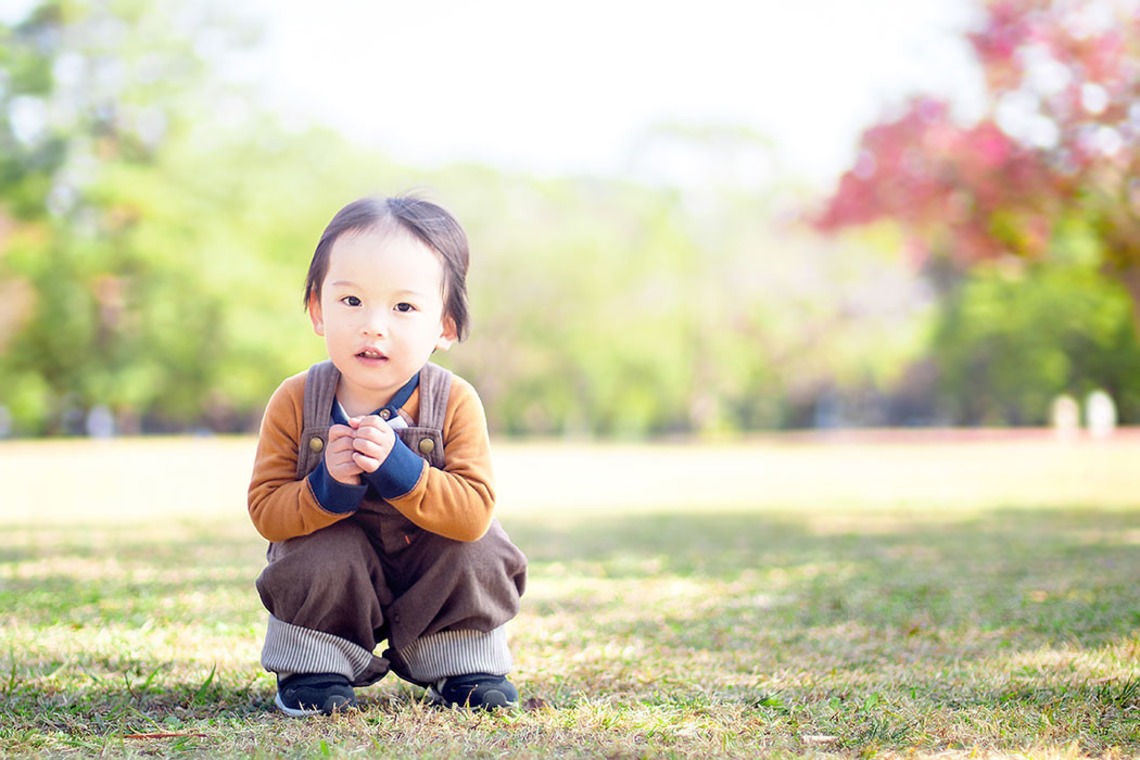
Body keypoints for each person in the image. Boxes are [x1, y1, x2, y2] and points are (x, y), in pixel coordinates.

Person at [247, 194, 528, 716]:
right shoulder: (295, 399)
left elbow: (473, 513)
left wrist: (402, 469)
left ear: (444, 326)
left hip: (432, 562)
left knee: (478, 550)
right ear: (317, 309)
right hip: (336, 569)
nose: (374, 325)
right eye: (351, 301)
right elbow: (266, 510)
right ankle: (316, 665)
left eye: (403, 307)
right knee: (315, 555)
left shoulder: (454, 401)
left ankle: (461, 662)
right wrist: (328, 485)